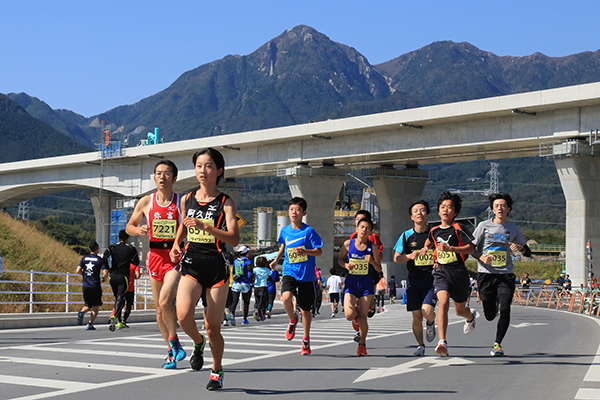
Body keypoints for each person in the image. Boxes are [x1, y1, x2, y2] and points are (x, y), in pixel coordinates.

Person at [170, 147, 239, 391]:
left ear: (219, 171)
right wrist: (177, 244)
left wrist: (207, 227)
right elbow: (183, 223)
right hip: (192, 263)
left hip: (217, 267)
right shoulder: (187, 198)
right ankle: (197, 343)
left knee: (213, 326)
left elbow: (234, 238)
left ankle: (216, 370)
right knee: (182, 316)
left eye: (208, 166)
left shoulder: (225, 202)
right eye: (199, 165)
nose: (203, 171)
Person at [126, 159, 186, 368]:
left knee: (165, 301)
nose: (162, 176)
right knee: (159, 311)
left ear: (174, 178)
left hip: (174, 258)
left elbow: (187, 226)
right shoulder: (146, 202)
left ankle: (175, 340)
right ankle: (171, 350)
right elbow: (129, 226)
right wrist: (138, 230)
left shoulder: (181, 201)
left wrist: (178, 242)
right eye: (159, 173)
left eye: (167, 173)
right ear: (154, 177)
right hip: (154, 257)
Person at [473, 193, 531, 357]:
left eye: (503, 205)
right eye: (497, 205)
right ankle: (494, 304)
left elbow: (528, 252)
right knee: (490, 315)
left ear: (509, 209)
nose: (500, 208)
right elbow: (471, 248)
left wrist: (520, 248)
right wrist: (481, 256)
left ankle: (497, 344)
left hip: (505, 275)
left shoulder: (513, 229)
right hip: (486, 274)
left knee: (505, 309)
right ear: (492, 209)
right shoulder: (483, 226)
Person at [421, 192, 476, 357]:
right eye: (442, 207)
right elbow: (429, 242)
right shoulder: (434, 230)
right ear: (438, 211)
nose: (446, 210)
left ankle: (470, 317)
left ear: (455, 212)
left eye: (450, 207)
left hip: (458, 272)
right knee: (443, 302)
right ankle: (442, 342)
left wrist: (451, 248)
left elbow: (471, 249)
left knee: (459, 310)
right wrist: (425, 248)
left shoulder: (459, 228)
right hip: (441, 272)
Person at [270, 197, 323, 355]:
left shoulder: (308, 231)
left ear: (304, 213)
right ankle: (292, 319)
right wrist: (276, 260)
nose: (294, 212)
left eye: (298, 210)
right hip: (289, 270)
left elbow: (319, 251)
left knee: (306, 310)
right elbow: (284, 246)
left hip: (306, 275)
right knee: (286, 298)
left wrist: (305, 251)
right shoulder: (285, 230)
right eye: (292, 209)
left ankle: (306, 339)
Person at [394, 200, 437, 356]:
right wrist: (409, 256)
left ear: (427, 214)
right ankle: (420, 345)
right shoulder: (406, 236)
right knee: (416, 316)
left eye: (423, 210)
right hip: (413, 279)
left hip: (431, 280)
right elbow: (396, 258)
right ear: (411, 216)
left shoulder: (435, 234)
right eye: (416, 211)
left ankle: (431, 322)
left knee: (426, 311)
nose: (420, 213)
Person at [339, 217, 381, 356]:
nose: (364, 230)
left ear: (371, 233)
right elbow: (340, 260)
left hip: (366, 283)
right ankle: (355, 318)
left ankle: (362, 344)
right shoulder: (347, 244)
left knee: (363, 316)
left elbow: (379, 269)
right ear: (356, 229)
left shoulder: (372, 247)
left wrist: (372, 262)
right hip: (351, 282)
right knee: (349, 314)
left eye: (367, 228)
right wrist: (346, 265)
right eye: (362, 227)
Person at [103, 230, 140, 332]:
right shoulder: (131, 249)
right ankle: (114, 317)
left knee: (117, 298)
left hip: (112, 276)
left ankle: (119, 321)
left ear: (118, 238)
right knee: (121, 298)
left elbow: (104, 257)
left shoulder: (112, 247)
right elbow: (136, 261)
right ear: (127, 239)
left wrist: (108, 267)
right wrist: (130, 261)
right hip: (123, 277)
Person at [76, 241, 108, 330]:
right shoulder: (100, 260)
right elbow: (105, 273)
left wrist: (84, 275)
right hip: (95, 285)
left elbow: (77, 270)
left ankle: (82, 312)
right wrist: (104, 279)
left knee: (88, 305)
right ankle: (90, 324)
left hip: (86, 285)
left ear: (89, 249)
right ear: (97, 249)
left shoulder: (84, 259)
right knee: (96, 306)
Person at [230, 245, 253, 325]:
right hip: (245, 283)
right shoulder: (247, 261)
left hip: (236, 283)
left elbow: (233, 272)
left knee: (234, 301)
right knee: (246, 301)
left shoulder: (235, 261)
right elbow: (250, 270)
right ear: (246, 253)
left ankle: (232, 315)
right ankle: (245, 319)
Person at [121, 262, 141, 327]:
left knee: (120, 304)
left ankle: (118, 321)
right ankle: (124, 321)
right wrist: (134, 276)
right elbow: (137, 275)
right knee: (129, 306)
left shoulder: (122, 263)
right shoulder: (135, 264)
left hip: (122, 287)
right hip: (130, 288)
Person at [253, 256, 270, 321]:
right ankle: (260, 313)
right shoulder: (266, 270)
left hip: (256, 286)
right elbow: (270, 276)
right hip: (264, 286)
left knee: (257, 299)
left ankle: (256, 309)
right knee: (263, 301)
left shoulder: (255, 270)